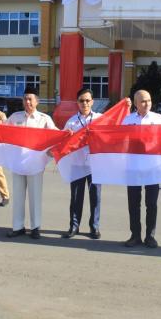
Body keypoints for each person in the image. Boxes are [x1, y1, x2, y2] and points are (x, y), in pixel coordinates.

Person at [5, 86, 57, 240]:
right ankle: (18, 227)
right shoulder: (15, 117)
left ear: (37, 101)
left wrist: (67, 134)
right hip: (18, 163)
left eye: (30, 99)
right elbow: (3, 131)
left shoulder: (44, 119)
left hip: (35, 164)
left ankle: (35, 227)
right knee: (18, 197)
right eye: (25, 99)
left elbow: (55, 134)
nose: (27, 101)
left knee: (35, 197)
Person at [122, 89, 161, 248]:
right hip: (133, 167)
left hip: (152, 168)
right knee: (133, 204)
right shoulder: (127, 120)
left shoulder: (159, 119)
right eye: (142, 101)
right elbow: (120, 141)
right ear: (135, 104)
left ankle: (150, 236)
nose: (147, 103)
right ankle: (135, 235)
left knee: (151, 203)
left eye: (148, 100)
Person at [62, 88, 102, 239]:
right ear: (77, 102)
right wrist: (68, 137)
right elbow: (62, 141)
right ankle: (74, 226)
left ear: (92, 101)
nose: (84, 103)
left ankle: (94, 227)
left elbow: (114, 129)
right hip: (77, 164)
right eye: (81, 100)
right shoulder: (71, 121)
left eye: (87, 100)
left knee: (95, 197)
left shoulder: (100, 118)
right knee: (76, 197)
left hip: (95, 165)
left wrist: (125, 107)